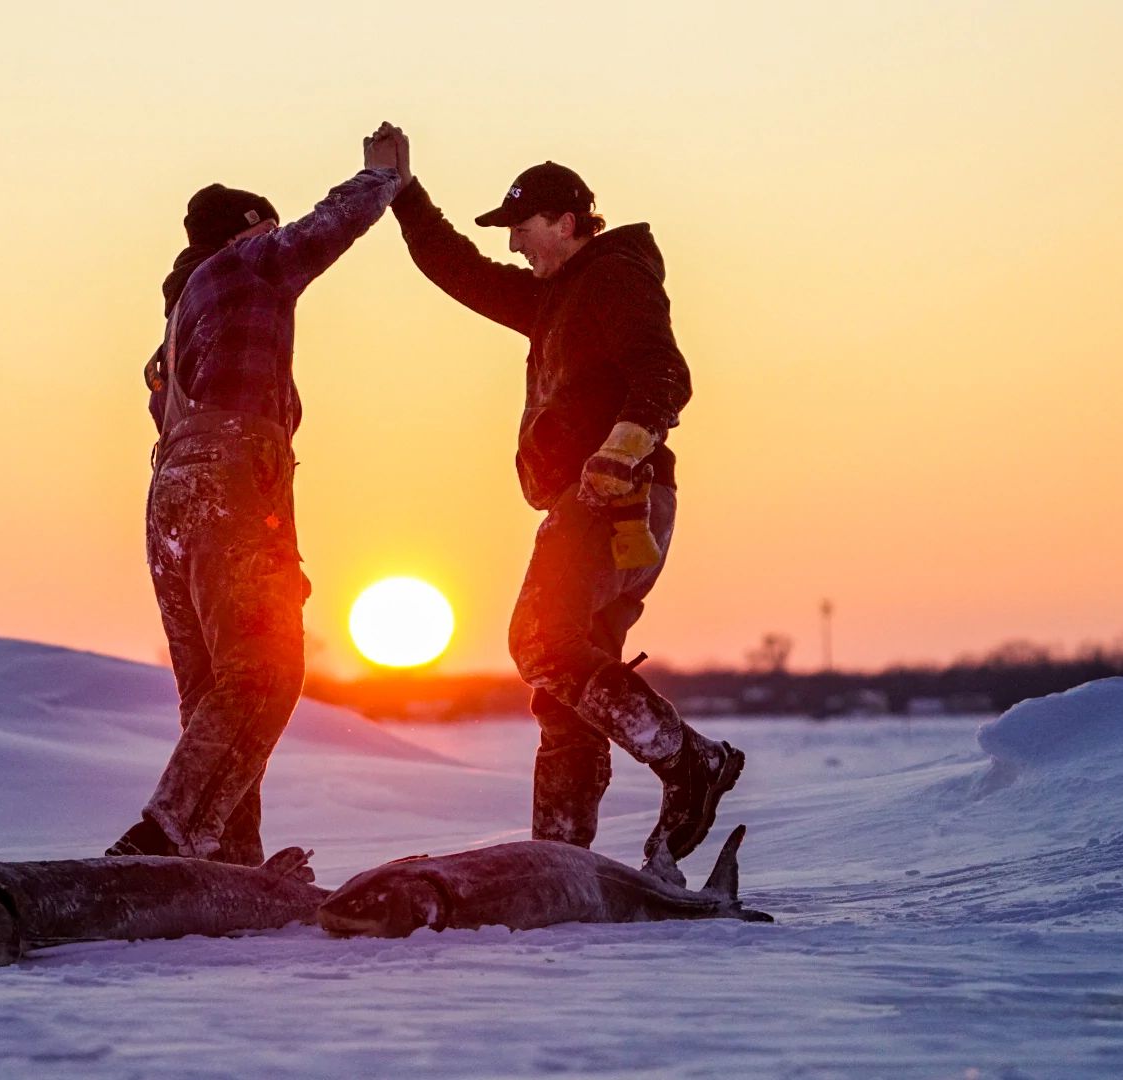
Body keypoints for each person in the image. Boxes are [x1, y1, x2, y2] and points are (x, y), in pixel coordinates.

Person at [372, 125, 743, 875]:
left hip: (613, 499)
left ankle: (690, 760)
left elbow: (665, 372)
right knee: (565, 687)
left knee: (538, 642)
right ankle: (559, 856)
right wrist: (402, 194)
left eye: (524, 228)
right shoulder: (553, 299)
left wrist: (620, 451)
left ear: (568, 222)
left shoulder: (613, 278)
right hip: (591, 502)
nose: (514, 245)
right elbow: (460, 270)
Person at [107, 138, 405, 864]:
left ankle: (227, 861)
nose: (277, 242)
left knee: (213, 690)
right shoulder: (247, 264)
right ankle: (165, 836)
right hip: (228, 486)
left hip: (171, 499)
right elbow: (326, 227)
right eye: (265, 229)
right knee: (268, 672)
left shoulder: (181, 313)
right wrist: (384, 175)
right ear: (246, 230)